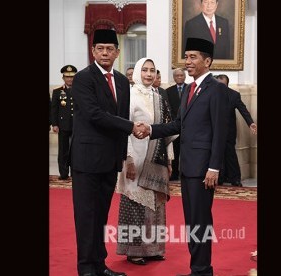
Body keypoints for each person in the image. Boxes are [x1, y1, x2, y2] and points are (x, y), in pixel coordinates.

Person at [135, 37, 230, 276]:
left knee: (200, 221)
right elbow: (178, 124)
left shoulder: (217, 90)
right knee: (192, 222)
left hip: (203, 169)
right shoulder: (188, 88)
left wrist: (214, 168)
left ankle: (202, 270)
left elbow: (220, 131)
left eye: (192, 57)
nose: (187, 61)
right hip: (188, 166)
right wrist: (151, 129)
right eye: (186, 56)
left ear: (207, 61)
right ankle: (197, 269)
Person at [70, 29, 143, 276]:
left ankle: (99, 266)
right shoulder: (83, 79)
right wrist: (132, 127)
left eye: (109, 49)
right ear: (93, 51)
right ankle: (86, 270)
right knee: (86, 218)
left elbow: (120, 116)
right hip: (87, 161)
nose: (104, 53)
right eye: (99, 48)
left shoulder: (122, 81)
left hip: (110, 161)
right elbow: (95, 115)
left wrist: (123, 155)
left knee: (101, 216)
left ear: (117, 52)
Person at [116, 57, 177, 265]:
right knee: (135, 202)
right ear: (137, 73)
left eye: (153, 70)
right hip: (136, 156)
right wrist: (129, 160)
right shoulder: (130, 95)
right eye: (145, 70)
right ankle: (134, 250)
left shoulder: (159, 96)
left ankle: (154, 248)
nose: (149, 74)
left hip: (156, 159)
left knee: (156, 203)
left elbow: (166, 130)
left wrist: (169, 160)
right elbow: (124, 130)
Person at [215, 74, 257, 186]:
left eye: (222, 85)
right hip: (213, 130)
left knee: (230, 154)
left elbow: (243, 110)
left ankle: (235, 178)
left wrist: (251, 123)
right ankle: (219, 178)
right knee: (215, 154)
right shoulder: (211, 93)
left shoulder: (234, 95)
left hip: (229, 131)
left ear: (227, 84)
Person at [51, 65, 77, 180]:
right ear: (63, 78)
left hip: (78, 125)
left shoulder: (80, 90)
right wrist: (54, 124)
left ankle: (76, 173)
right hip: (63, 125)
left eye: (72, 77)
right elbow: (54, 109)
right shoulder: (57, 91)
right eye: (67, 77)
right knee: (63, 151)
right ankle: (64, 173)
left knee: (77, 150)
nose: (69, 79)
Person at [164, 68, 187, 180]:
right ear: (174, 77)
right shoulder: (168, 91)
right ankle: (174, 173)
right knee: (175, 150)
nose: (179, 77)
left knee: (186, 151)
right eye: (177, 75)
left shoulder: (190, 88)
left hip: (188, 126)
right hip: (174, 125)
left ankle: (185, 172)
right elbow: (168, 108)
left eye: (181, 75)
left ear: (184, 76)